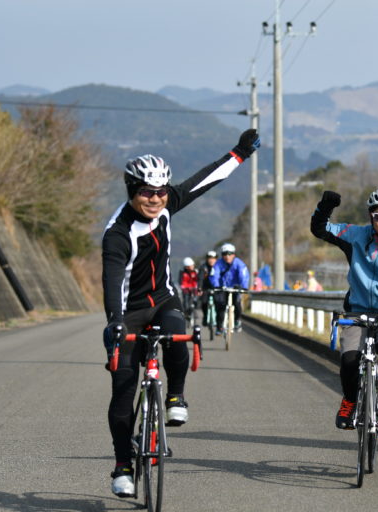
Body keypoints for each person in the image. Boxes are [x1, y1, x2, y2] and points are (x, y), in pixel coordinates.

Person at [101, 129, 260, 497]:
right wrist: (114, 321)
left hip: (163, 299)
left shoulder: (167, 203)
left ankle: (175, 398)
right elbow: (111, 282)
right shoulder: (118, 233)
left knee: (177, 334)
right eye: (146, 192)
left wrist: (239, 152)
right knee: (123, 393)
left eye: (160, 192)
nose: (155, 199)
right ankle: (122, 466)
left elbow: (204, 180)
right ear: (131, 190)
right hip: (127, 312)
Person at [310, 187, 378, 439]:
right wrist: (326, 206)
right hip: (357, 311)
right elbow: (320, 229)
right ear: (371, 217)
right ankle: (349, 402)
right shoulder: (356, 236)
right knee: (349, 358)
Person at [209, 242, 249, 335]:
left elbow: (243, 275)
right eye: (225, 254)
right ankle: (219, 327)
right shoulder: (218, 264)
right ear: (222, 255)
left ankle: (237, 321)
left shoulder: (239, 263)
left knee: (237, 303)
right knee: (220, 306)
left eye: (230, 254)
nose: (227, 256)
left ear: (234, 254)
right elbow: (214, 275)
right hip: (222, 288)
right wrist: (216, 285)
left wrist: (243, 286)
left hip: (235, 288)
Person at [198, 250, 218, 326]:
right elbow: (200, 278)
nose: (211, 260)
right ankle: (205, 316)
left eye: (213, 258)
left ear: (216, 259)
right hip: (205, 287)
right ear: (207, 259)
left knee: (219, 302)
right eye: (209, 258)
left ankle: (218, 318)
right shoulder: (203, 267)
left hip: (217, 288)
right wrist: (199, 288)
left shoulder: (219, 266)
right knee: (204, 302)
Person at [178, 257, 199, 322]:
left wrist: (197, 286)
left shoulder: (196, 271)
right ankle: (186, 313)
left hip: (194, 288)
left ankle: (194, 309)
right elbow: (180, 281)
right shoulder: (182, 272)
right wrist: (183, 286)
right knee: (186, 301)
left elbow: (198, 280)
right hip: (186, 289)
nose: (192, 267)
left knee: (195, 300)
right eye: (190, 266)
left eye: (192, 265)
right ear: (186, 267)